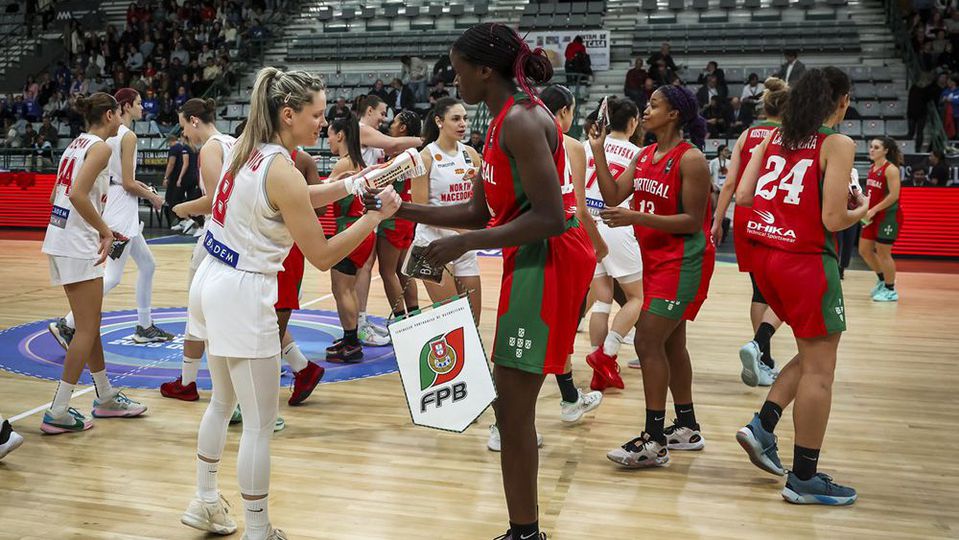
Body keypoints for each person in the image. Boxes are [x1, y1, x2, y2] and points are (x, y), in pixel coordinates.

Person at [388, 24, 595, 540]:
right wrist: (401, 207)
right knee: (510, 402)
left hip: (551, 255)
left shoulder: (523, 121)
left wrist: (464, 244)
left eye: (459, 72)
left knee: (513, 404)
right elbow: (481, 208)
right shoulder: (503, 117)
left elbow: (551, 216)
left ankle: (526, 533)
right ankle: (523, 529)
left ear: (485, 70)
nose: (456, 83)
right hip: (533, 254)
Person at [181, 67, 400, 539]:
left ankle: (204, 500)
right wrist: (376, 218)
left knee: (221, 402)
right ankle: (259, 531)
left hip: (209, 278)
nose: (323, 122)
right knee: (259, 424)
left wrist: (353, 186)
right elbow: (321, 255)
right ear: (288, 113)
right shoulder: (280, 167)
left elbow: (297, 197)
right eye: (317, 114)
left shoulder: (245, 146)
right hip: (241, 291)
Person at [734, 67, 864, 506]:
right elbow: (832, 219)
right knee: (821, 371)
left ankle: (764, 424)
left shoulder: (775, 138)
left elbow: (745, 196)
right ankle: (804, 477)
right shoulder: (838, 143)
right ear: (841, 101)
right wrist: (860, 211)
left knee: (812, 355)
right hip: (806, 261)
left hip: (768, 259)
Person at [592, 84, 715, 467]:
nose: (646, 111)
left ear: (674, 113)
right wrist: (596, 150)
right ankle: (688, 427)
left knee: (647, 344)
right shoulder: (644, 155)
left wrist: (636, 217)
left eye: (654, 105)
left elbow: (692, 221)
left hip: (684, 261)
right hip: (656, 258)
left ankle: (654, 439)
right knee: (672, 346)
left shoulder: (690, 159)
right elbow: (613, 196)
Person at [40, 92, 148, 435]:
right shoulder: (101, 147)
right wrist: (103, 231)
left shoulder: (75, 144)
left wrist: (97, 225)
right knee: (85, 329)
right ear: (109, 115)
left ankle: (104, 395)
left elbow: (58, 195)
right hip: (77, 243)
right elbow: (76, 194)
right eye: (118, 112)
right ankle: (57, 410)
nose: (122, 117)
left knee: (91, 323)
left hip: (61, 237)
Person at [48, 88, 172, 351]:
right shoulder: (127, 136)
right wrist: (153, 197)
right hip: (119, 206)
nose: (142, 107)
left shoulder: (104, 137)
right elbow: (127, 182)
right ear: (123, 108)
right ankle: (67, 324)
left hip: (114, 200)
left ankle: (144, 325)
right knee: (113, 275)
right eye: (138, 103)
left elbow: (120, 179)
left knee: (148, 265)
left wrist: (145, 192)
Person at [712, 77, 789, 387]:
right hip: (775, 216)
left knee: (760, 288)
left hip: (744, 216)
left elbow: (729, 184)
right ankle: (760, 348)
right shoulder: (791, 135)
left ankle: (764, 359)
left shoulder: (746, 134)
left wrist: (718, 220)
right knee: (783, 293)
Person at [159, 97, 236, 401]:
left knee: (198, 312)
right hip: (235, 238)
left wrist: (183, 207)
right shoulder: (233, 142)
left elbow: (217, 200)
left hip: (214, 236)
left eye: (183, 128)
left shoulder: (210, 148)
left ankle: (191, 382)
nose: (185, 136)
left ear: (194, 120)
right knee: (224, 313)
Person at [581, 97, 646, 390]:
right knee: (636, 298)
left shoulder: (585, 146)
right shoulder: (639, 154)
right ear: (633, 123)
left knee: (603, 299)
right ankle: (606, 353)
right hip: (616, 224)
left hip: (585, 225)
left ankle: (599, 372)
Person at [354, 95, 422, 344]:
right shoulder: (410, 152)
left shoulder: (398, 151)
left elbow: (390, 153)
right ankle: (413, 318)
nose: (388, 121)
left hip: (393, 215)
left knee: (387, 272)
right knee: (404, 270)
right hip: (406, 216)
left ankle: (401, 323)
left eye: (394, 121)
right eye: (384, 114)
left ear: (402, 129)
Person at [411, 97, 483, 322]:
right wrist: (461, 228)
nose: (463, 124)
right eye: (456, 119)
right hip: (432, 244)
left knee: (473, 320)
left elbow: (482, 199)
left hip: (464, 241)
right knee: (451, 319)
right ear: (439, 121)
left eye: (465, 118)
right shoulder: (425, 156)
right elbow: (420, 210)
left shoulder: (470, 154)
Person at [326, 115, 376, 363]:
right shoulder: (359, 161)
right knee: (350, 288)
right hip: (362, 230)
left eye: (329, 135)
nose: (328, 140)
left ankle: (352, 343)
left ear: (340, 135)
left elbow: (327, 200)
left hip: (348, 229)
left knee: (341, 288)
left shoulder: (342, 165)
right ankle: (350, 337)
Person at [859, 136, 903, 302]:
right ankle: (882, 280)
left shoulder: (891, 169)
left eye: (876, 147)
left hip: (887, 217)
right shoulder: (872, 167)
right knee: (864, 250)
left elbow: (894, 196)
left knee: (884, 252)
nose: (872, 150)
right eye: (871, 147)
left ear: (885, 150)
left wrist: (874, 210)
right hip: (871, 214)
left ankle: (891, 289)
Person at [163, 134, 191, 228]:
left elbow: (171, 163)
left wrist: (166, 177)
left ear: (169, 141)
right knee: (179, 200)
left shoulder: (174, 148)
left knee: (171, 201)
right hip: (183, 178)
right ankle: (183, 221)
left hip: (175, 178)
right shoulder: (182, 147)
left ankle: (186, 220)